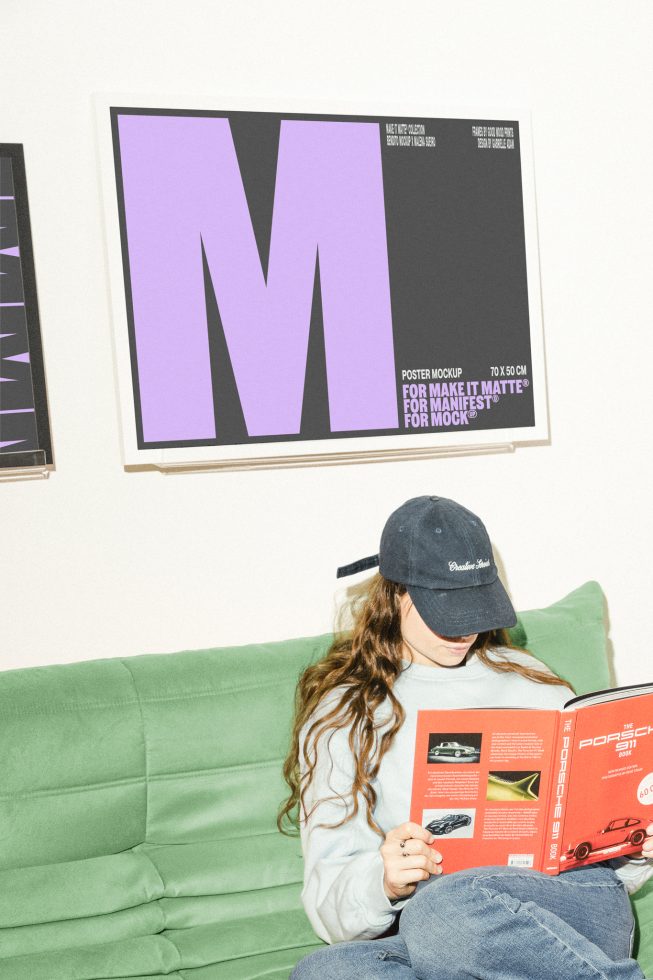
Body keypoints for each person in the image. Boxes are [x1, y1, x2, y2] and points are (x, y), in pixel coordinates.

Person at [278, 496, 653, 979]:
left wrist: (635, 843)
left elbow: (602, 850)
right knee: (325, 973)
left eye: (477, 607)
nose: (467, 631)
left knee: (443, 913)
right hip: (437, 926)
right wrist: (384, 882)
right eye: (447, 610)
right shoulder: (344, 713)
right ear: (394, 594)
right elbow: (328, 905)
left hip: (571, 905)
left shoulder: (535, 683)